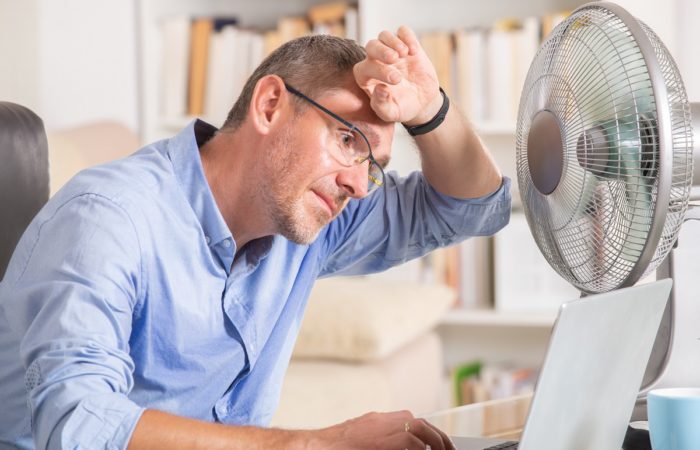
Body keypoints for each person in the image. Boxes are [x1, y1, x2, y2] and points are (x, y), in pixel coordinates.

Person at [0, 27, 510, 449]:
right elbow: (78, 425)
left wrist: (432, 111)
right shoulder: (108, 219)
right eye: (348, 140)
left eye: (373, 165)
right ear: (269, 105)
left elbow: (473, 210)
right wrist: (320, 444)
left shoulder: (311, 218)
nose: (359, 183)